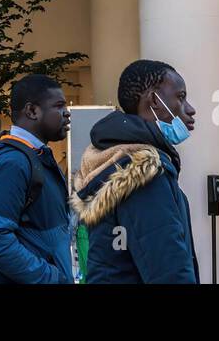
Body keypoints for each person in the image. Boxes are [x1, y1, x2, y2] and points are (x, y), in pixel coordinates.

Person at [71, 59, 200, 284]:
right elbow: (167, 269)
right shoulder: (143, 172)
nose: (190, 109)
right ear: (154, 101)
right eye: (180, 97)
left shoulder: (116, 161)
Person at [0, 74, 72, 284]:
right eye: (59, 106)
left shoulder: (34, 157)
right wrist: (50, 277)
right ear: (32, 111)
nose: (67, 113)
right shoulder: (13, 163)